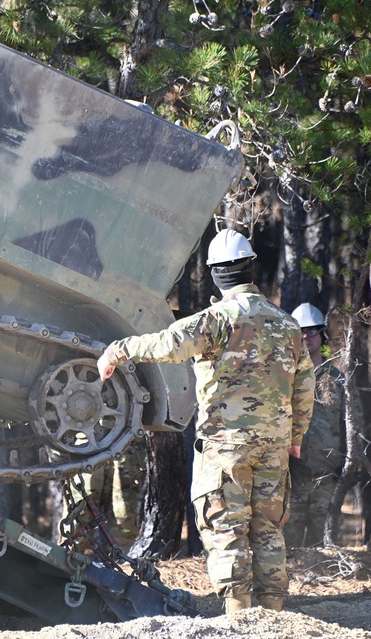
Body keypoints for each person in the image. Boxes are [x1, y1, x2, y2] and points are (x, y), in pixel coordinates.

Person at [97, 228, 313, 614]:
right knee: (268, 528)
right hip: (274, 446)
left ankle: (238, 614)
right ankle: (274, 613)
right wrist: (295, 437)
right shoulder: (287, 324)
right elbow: (304, 388)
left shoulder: (215, 320)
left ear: (216, 274)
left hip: (224, 446)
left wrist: (117, 351)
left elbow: (166, 343)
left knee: (226, 527)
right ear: (250, 268)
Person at [284, 303, 344, 548]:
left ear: (322, 335)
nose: (306, 336)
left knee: (324, 541)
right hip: (291, 474)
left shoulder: (338, 379)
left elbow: (350, 425)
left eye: (312, 331)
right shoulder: (284, 378)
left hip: (326, 474)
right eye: (301, 332)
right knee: (289, 539)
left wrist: (348, 464)